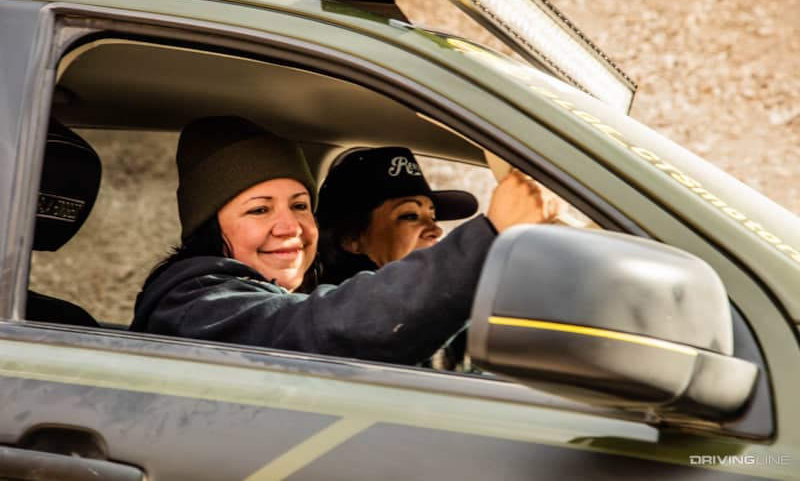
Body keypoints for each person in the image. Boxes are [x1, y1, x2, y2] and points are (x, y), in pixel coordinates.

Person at [130, 115, 559, 364]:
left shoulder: (273, 302)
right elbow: (323, 328)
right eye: (260, 210)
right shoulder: (194, 307)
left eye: (300, 205)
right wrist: (488, 237)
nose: (290, 227)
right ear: (209, 227)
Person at [315, 147, 479, 285]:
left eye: (433, 217)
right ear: (351, 239)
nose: (436, 231)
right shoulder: (340, 309)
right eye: (410, 216)